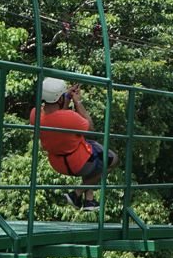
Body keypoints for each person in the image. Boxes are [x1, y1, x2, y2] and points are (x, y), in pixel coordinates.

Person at [29, 77, 117, 211]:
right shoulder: (70, 117)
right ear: (59, 99)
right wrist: (78, 102)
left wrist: (66, 97)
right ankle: (77, 193)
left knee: (92, 148)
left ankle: (89, 200)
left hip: (57, 163)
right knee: (113, 159)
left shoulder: (35, 114)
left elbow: (58, 115)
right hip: (78, 163)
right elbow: (91, 129)